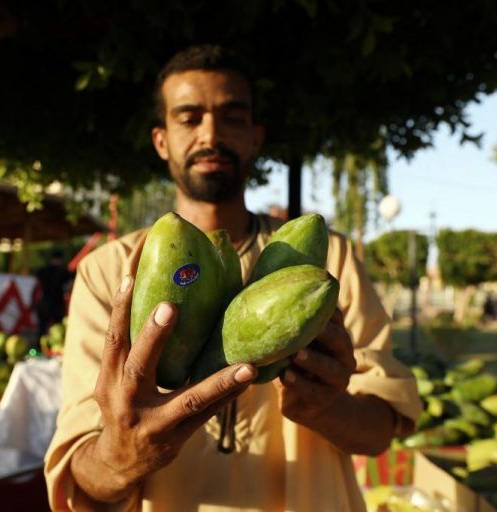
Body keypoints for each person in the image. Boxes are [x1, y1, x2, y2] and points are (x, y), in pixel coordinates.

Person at [44, 45, 422, 511]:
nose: (211, 134)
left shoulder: (328, 263)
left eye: (232, 117)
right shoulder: (110, 271)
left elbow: (382, 428)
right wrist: (123, 454)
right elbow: (79, 473)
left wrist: (327, 408)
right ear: (161, 140)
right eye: (189, 118)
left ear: (256, 137)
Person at [35, 249, 72, 340]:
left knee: (42, 328)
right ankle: (54, 346)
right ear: (61, 259)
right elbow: (69, 286)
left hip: (44, 302)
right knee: (58, 329)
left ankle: (40, 345)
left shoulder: (43, 271)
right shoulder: (64, 272)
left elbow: (37, 286)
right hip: (57, 303)